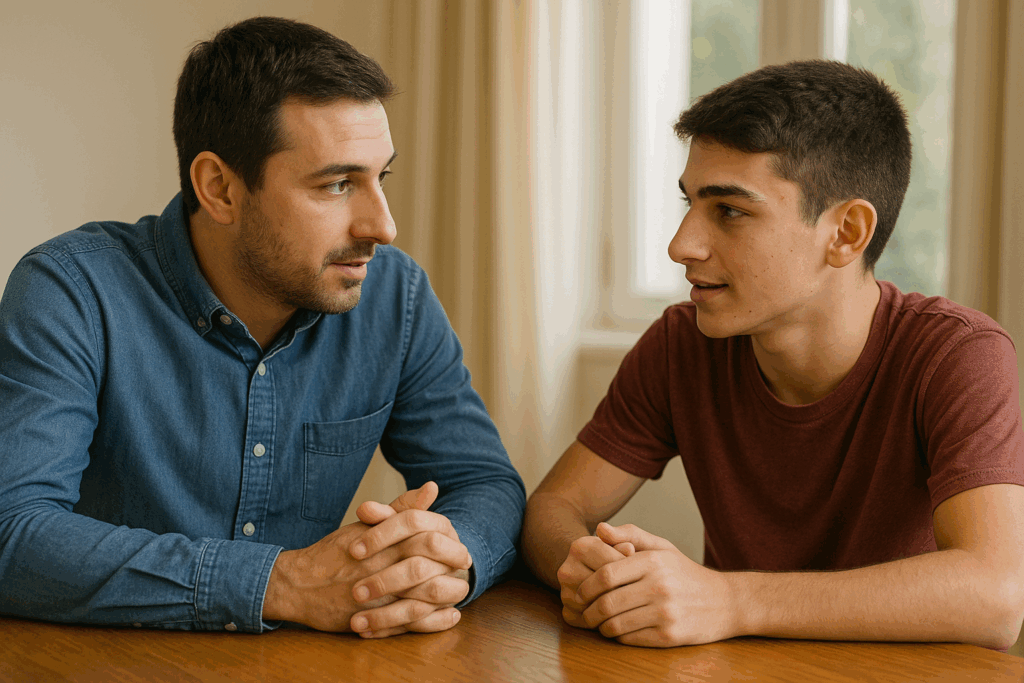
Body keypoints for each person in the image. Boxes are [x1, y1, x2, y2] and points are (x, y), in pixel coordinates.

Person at [0, 16, 525, 638]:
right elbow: (13, 530)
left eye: (380, 178)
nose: (383, 227)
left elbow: (484, 483)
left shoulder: (395, 297)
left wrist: (437, 562)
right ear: (219, 188)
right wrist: (283, 583)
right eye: (337, 184)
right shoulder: (72, 291)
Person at [522, 60, 1024, 650]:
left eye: (730, 211)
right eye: (689, 204)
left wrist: (729, 600)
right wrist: (591, 567)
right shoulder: (683, 344)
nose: (681, 245)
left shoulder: (958, 355)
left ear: (846, 233)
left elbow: (996, 595)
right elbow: (553, 507)